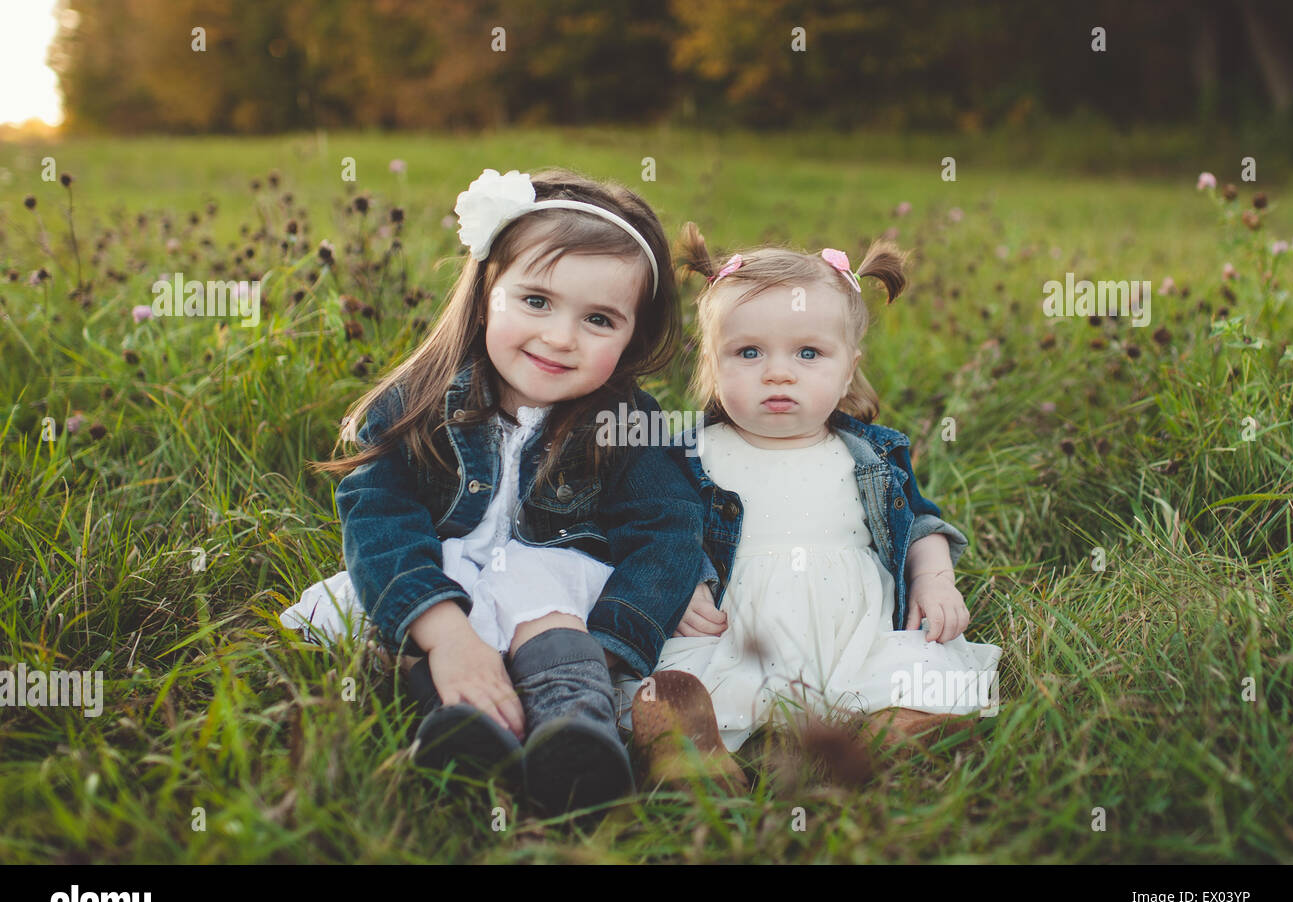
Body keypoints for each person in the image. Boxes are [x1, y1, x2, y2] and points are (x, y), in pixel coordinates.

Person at [284, 168, 704, 816]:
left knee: (542, 590)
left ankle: (578, 731)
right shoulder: (419, 401)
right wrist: (446, 631)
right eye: (536, 301)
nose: (561, 337)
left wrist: (624, 634)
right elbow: (379, 517)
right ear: (487, 295)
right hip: (445, 590)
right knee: (417, 597)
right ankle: (465, 729)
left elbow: (667, 524)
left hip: (560, 611)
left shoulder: (629, 424)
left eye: (598, 318)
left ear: (632, 336)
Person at [656, 223, 1002, 753]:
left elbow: (920, 525)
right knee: (681, 690)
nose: (778, 373)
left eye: (808, 354)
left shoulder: (871, 455)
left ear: (848, 371)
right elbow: (658, 532)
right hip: (731, 637)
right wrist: (677, 586)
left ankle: (887, 730)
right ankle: (701, 753)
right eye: (748, 353)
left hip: (858, 639)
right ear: (711, 364)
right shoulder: (687, 454)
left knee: (921, 670)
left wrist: (935, 580)